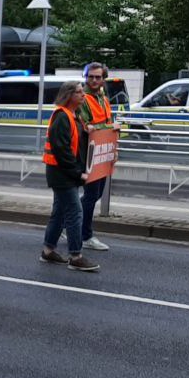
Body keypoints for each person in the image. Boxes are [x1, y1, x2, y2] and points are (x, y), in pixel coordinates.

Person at [40, 81, 99, 272]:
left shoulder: (74, 116)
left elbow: (75, 143)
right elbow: (62, 150)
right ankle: (76, 255)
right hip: (62, 174)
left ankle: (48, 251)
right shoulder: (62, 117)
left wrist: (87, 131)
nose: (83, 95)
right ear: (69, 96)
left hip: (64, 173)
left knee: (59, 213)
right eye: (80, 92)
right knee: (75, 212)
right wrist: (77, 173)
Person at [78, 62, 116, 251]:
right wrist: (109, 129)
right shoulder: (83, 98)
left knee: (96, 193)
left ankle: (65, 222)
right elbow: (87, 126)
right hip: (89, 153)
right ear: (86, 77)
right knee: (92, 194)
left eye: (97, 77)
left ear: (103, 79)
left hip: (102, 152)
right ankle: (85, 236)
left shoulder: (103, 98)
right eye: (90, 76)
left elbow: (107, 122)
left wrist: (113, 150)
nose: (94, 80)